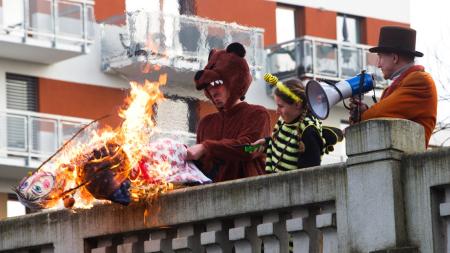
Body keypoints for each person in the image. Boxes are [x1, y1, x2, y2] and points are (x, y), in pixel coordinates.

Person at [186, 42, 271, 182]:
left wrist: (206, 147)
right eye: (208, 85)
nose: (212, 91)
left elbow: (249, 149)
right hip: (210, 198)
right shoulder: (206, 123)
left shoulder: (258, 114)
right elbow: (200, 168)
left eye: (216, 83)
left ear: (234, 81)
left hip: (249, 196)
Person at [350, 26, 437, 147]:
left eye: (380, 57)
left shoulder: (420, 81)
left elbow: (379, 114)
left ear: (395, 58)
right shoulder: (404, 83)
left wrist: (362, 115)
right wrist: (364, 112)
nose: (378, 64)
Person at [252, 76, 342, 173]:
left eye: (281, 106)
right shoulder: (283, 119)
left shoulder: (309, 132)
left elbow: (307, 176)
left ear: (297, 104)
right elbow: (283, 145)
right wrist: (266, 142)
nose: (277, 111)